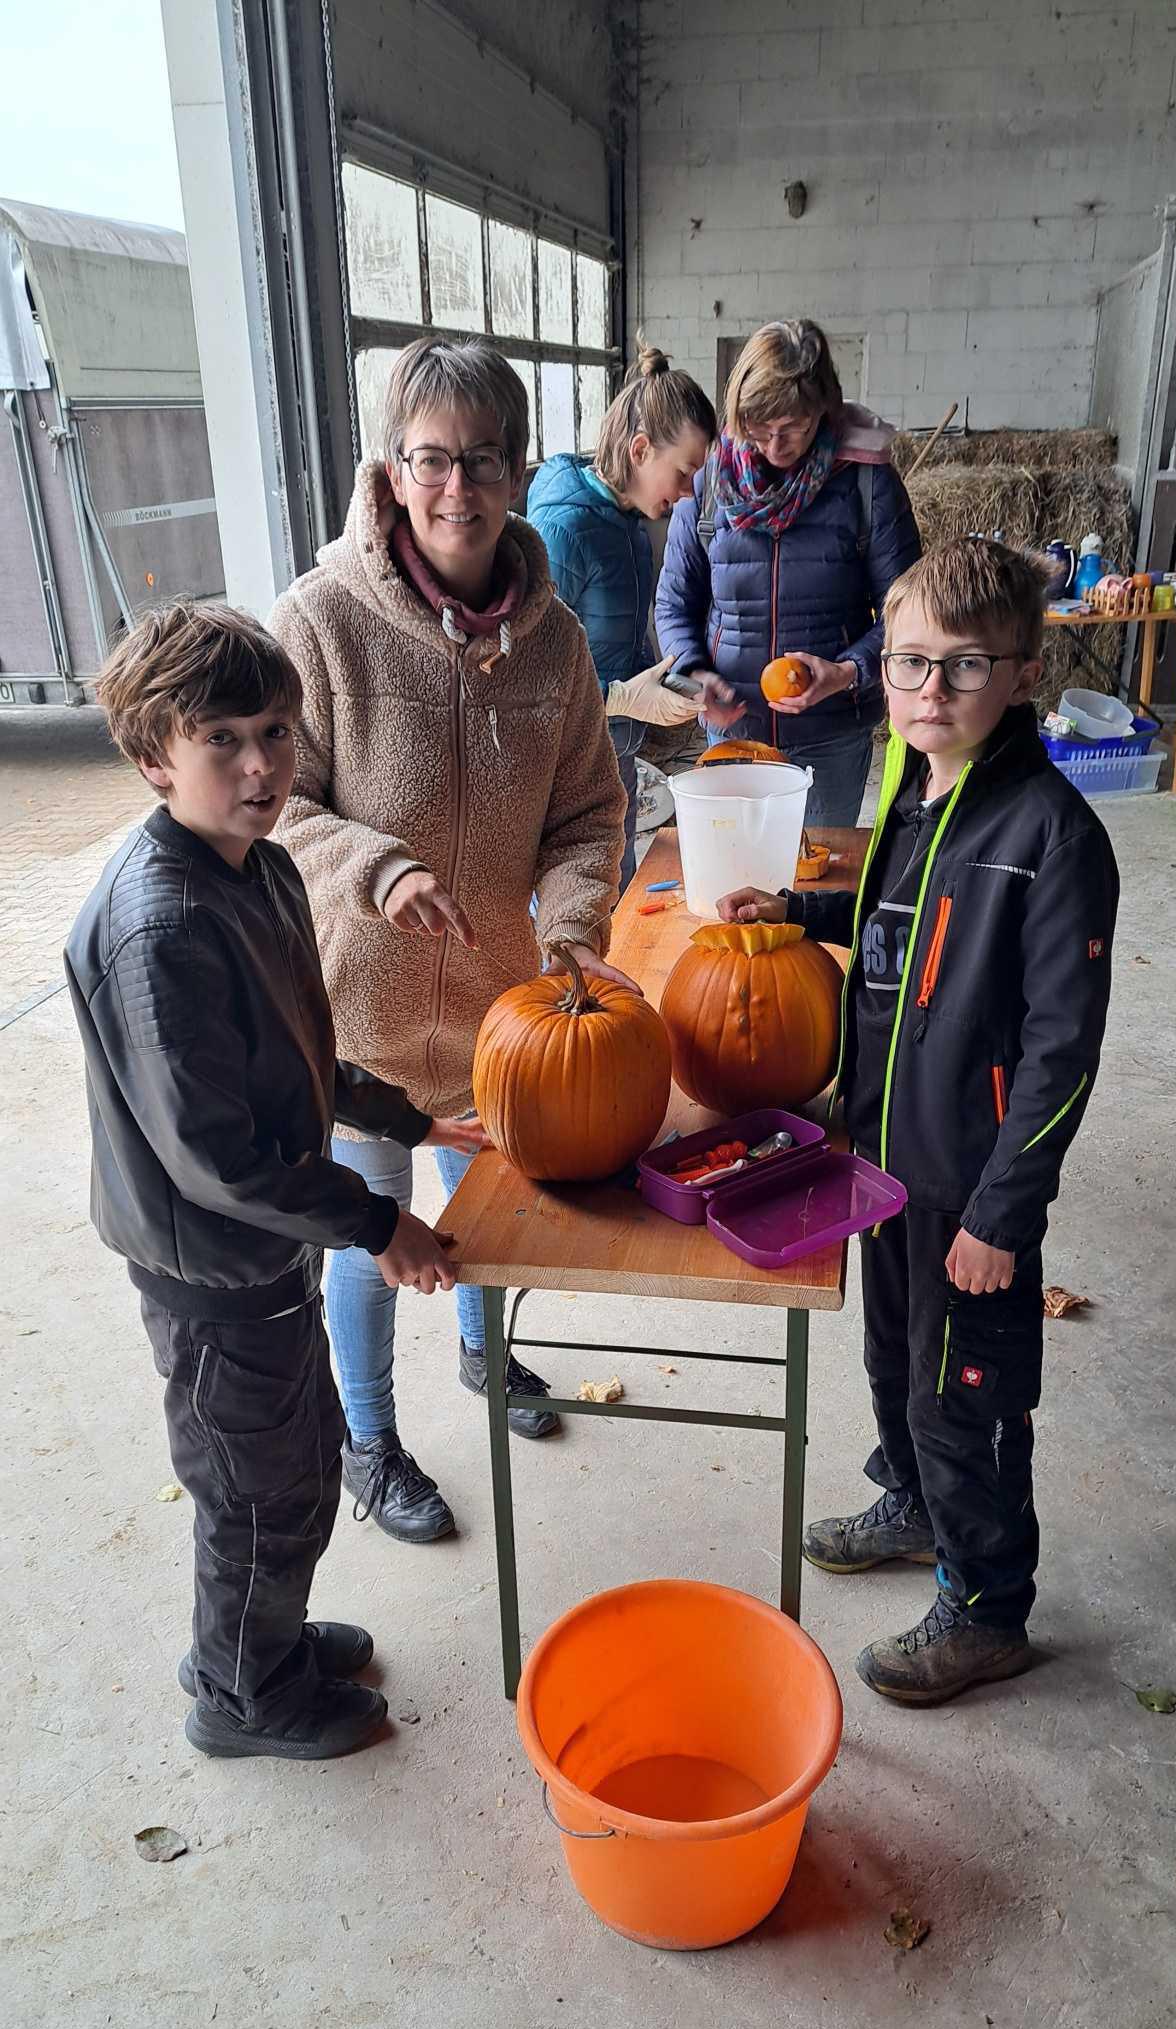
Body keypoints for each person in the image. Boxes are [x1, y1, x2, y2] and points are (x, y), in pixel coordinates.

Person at [716, 540, 1119, 1705]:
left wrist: (1004, 1213)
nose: (929, 691)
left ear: (1025, 674)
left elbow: (1062, 1051)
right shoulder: (911, 786)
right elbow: (898, 913)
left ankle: (988, 1605)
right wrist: (799, 910)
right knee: (894, 1359)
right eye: (907, 665)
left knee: (970, 1397)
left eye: (962, 667)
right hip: (887, 1160)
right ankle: (910, 1500)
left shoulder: (1053, 839)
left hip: (972, 1187)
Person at [64, 602, 468, 1761]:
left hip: (261, 1252)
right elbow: (218, 1156)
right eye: (225, 741)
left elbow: (297, 1050)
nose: (261, 765)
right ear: (154, 759)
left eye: (278, 732)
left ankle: (258, 1641)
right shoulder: (165, 926)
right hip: (211, 1270)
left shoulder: (260, 868)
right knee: (258, 1492)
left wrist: (404, 1114)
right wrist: (376, 1221)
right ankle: (242, 1697)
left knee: (289, 1464)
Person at [270, 339, 628, 1547]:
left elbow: (589, 812)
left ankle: (489, 1354)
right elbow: (277, 801)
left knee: (485, 1206)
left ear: (519, 471)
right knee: (371, 1243)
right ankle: (369, 1440)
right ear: (392, 468)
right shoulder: (319, 623)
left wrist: (572, 930)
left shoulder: (557, 643)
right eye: (430, 459)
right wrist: (380, 867)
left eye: (480, 459)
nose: (455, 487)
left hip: (494, 1010)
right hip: (355, 1016)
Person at [655, 318, 922, 829]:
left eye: (794, 428)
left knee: (817, 881)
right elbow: (673, 603)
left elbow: (911, 614)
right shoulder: (710, 482)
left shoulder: (867, 485)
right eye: (759, 428)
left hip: (832, 733)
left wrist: (847, 672)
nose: (775, 446)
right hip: (735, 734)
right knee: (738, 877)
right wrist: (693, 673)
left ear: (824, 410)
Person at [527, 338, 717, 892]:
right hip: (564, 771)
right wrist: (621, 696)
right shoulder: (564, 532)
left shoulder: (630, 524)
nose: (687, 495)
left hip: (615, 754)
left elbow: (616, 644)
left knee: (616, 893)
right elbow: (530, 673)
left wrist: (672, 685)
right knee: (570, 911)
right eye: (683, 474)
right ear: (639, 450)